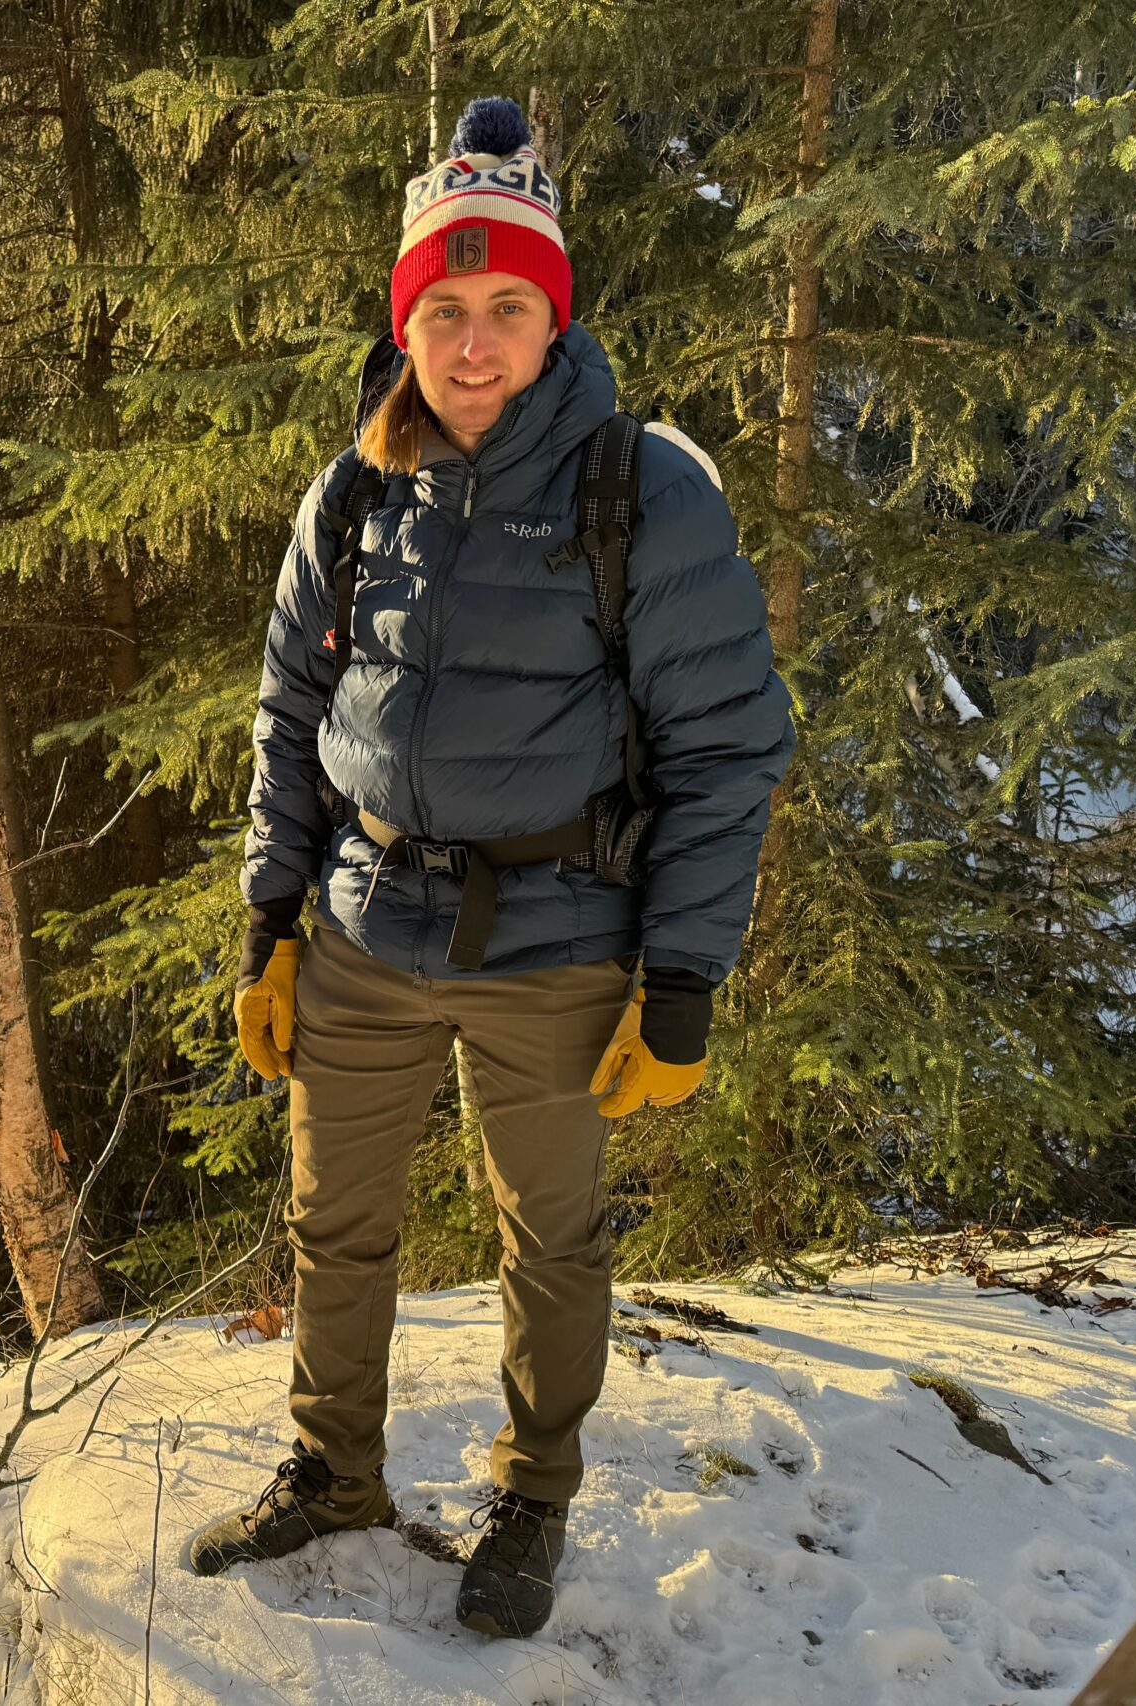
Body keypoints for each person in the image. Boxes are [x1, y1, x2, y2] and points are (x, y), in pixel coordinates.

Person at [185, 97, 796, 1639]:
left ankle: (534, 1490)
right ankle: (335, 1466)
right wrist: (274, 919)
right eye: (443, 311)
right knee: (337, 1221)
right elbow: (289, 710)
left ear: (553, 317)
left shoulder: (642, 491)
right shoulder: (357, 488)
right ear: (408, 323)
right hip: (365, 930)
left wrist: (680, 984)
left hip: (558, 939)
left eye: (506, 309)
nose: (471, 346)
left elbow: (729, 747)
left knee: (551, 1234)